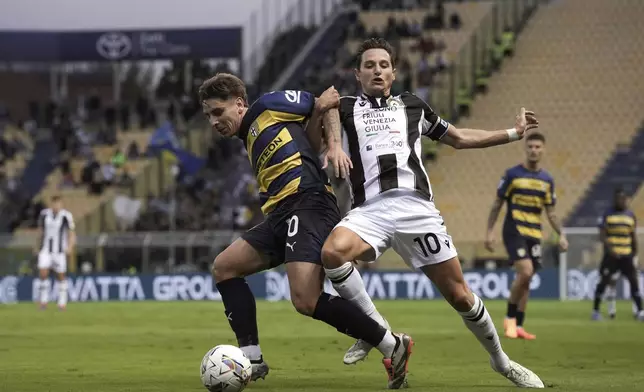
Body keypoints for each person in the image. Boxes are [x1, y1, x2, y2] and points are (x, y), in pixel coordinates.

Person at [317, 37, 544, 388]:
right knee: (332, 253)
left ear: (393, 72)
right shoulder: (345, 108)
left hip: (416, 208)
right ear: (357, 73)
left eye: (383, 65)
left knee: (460, 296)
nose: (377, 70)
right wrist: (333, 142)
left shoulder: (413, 106)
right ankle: (379, 332)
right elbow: (328, 106)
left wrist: (513, 133)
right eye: (369, 65)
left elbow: (460, 137)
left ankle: (502, 361)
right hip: (370, 211)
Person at [199, 73, 412, 389]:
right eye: (208, 116)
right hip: (279, 216)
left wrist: (336, 146)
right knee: (225, 267)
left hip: (308, 203)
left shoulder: (267, 106)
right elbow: (312, 127)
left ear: (239, 104)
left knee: (305, 298)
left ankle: (391, 344)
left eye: (218, 112)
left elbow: (328, 100)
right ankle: (252, 358)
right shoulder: (250, 135)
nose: (214, 121)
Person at [486, 132, 568, 340]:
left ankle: (519, 326)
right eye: (530, 146)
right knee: (526, 271)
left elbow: (551, 212)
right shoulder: (512, 175)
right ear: (526, 149)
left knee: (527, 279)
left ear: (543, 149)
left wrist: (562, 234)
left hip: (534, 233)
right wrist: (489, 232)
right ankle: (510, 319)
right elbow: (497, 204)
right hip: (514, 230)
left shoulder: (547, 180)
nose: (534, 150)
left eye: (538, 147)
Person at [591, 188, 643, 321]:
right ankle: (596, 311)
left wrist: (634, 254)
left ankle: (640, 311)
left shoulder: (630, 216)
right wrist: (610, 249)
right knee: (604, 281)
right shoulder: (608, 214)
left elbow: (633, 236)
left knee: (634, 282)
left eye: (623, 199)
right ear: (615, 200)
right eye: (618, 199)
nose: (621, 201)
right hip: (611, 256)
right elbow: (602, 235)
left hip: (626, 255)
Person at [34, 195, 76, 310]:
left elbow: (71, 233)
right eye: (54, 204)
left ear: (61, 205)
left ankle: (62, 303)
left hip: (60, 251)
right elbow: (40, 232)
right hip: (46, 249)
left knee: (61, 276)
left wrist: (70, 247)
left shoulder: (66, 216)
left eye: (58, 204)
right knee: (43, 273)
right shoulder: (44, 215)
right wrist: (37, 246)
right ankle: (43, 302)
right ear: (51, 204)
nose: (56, 206)